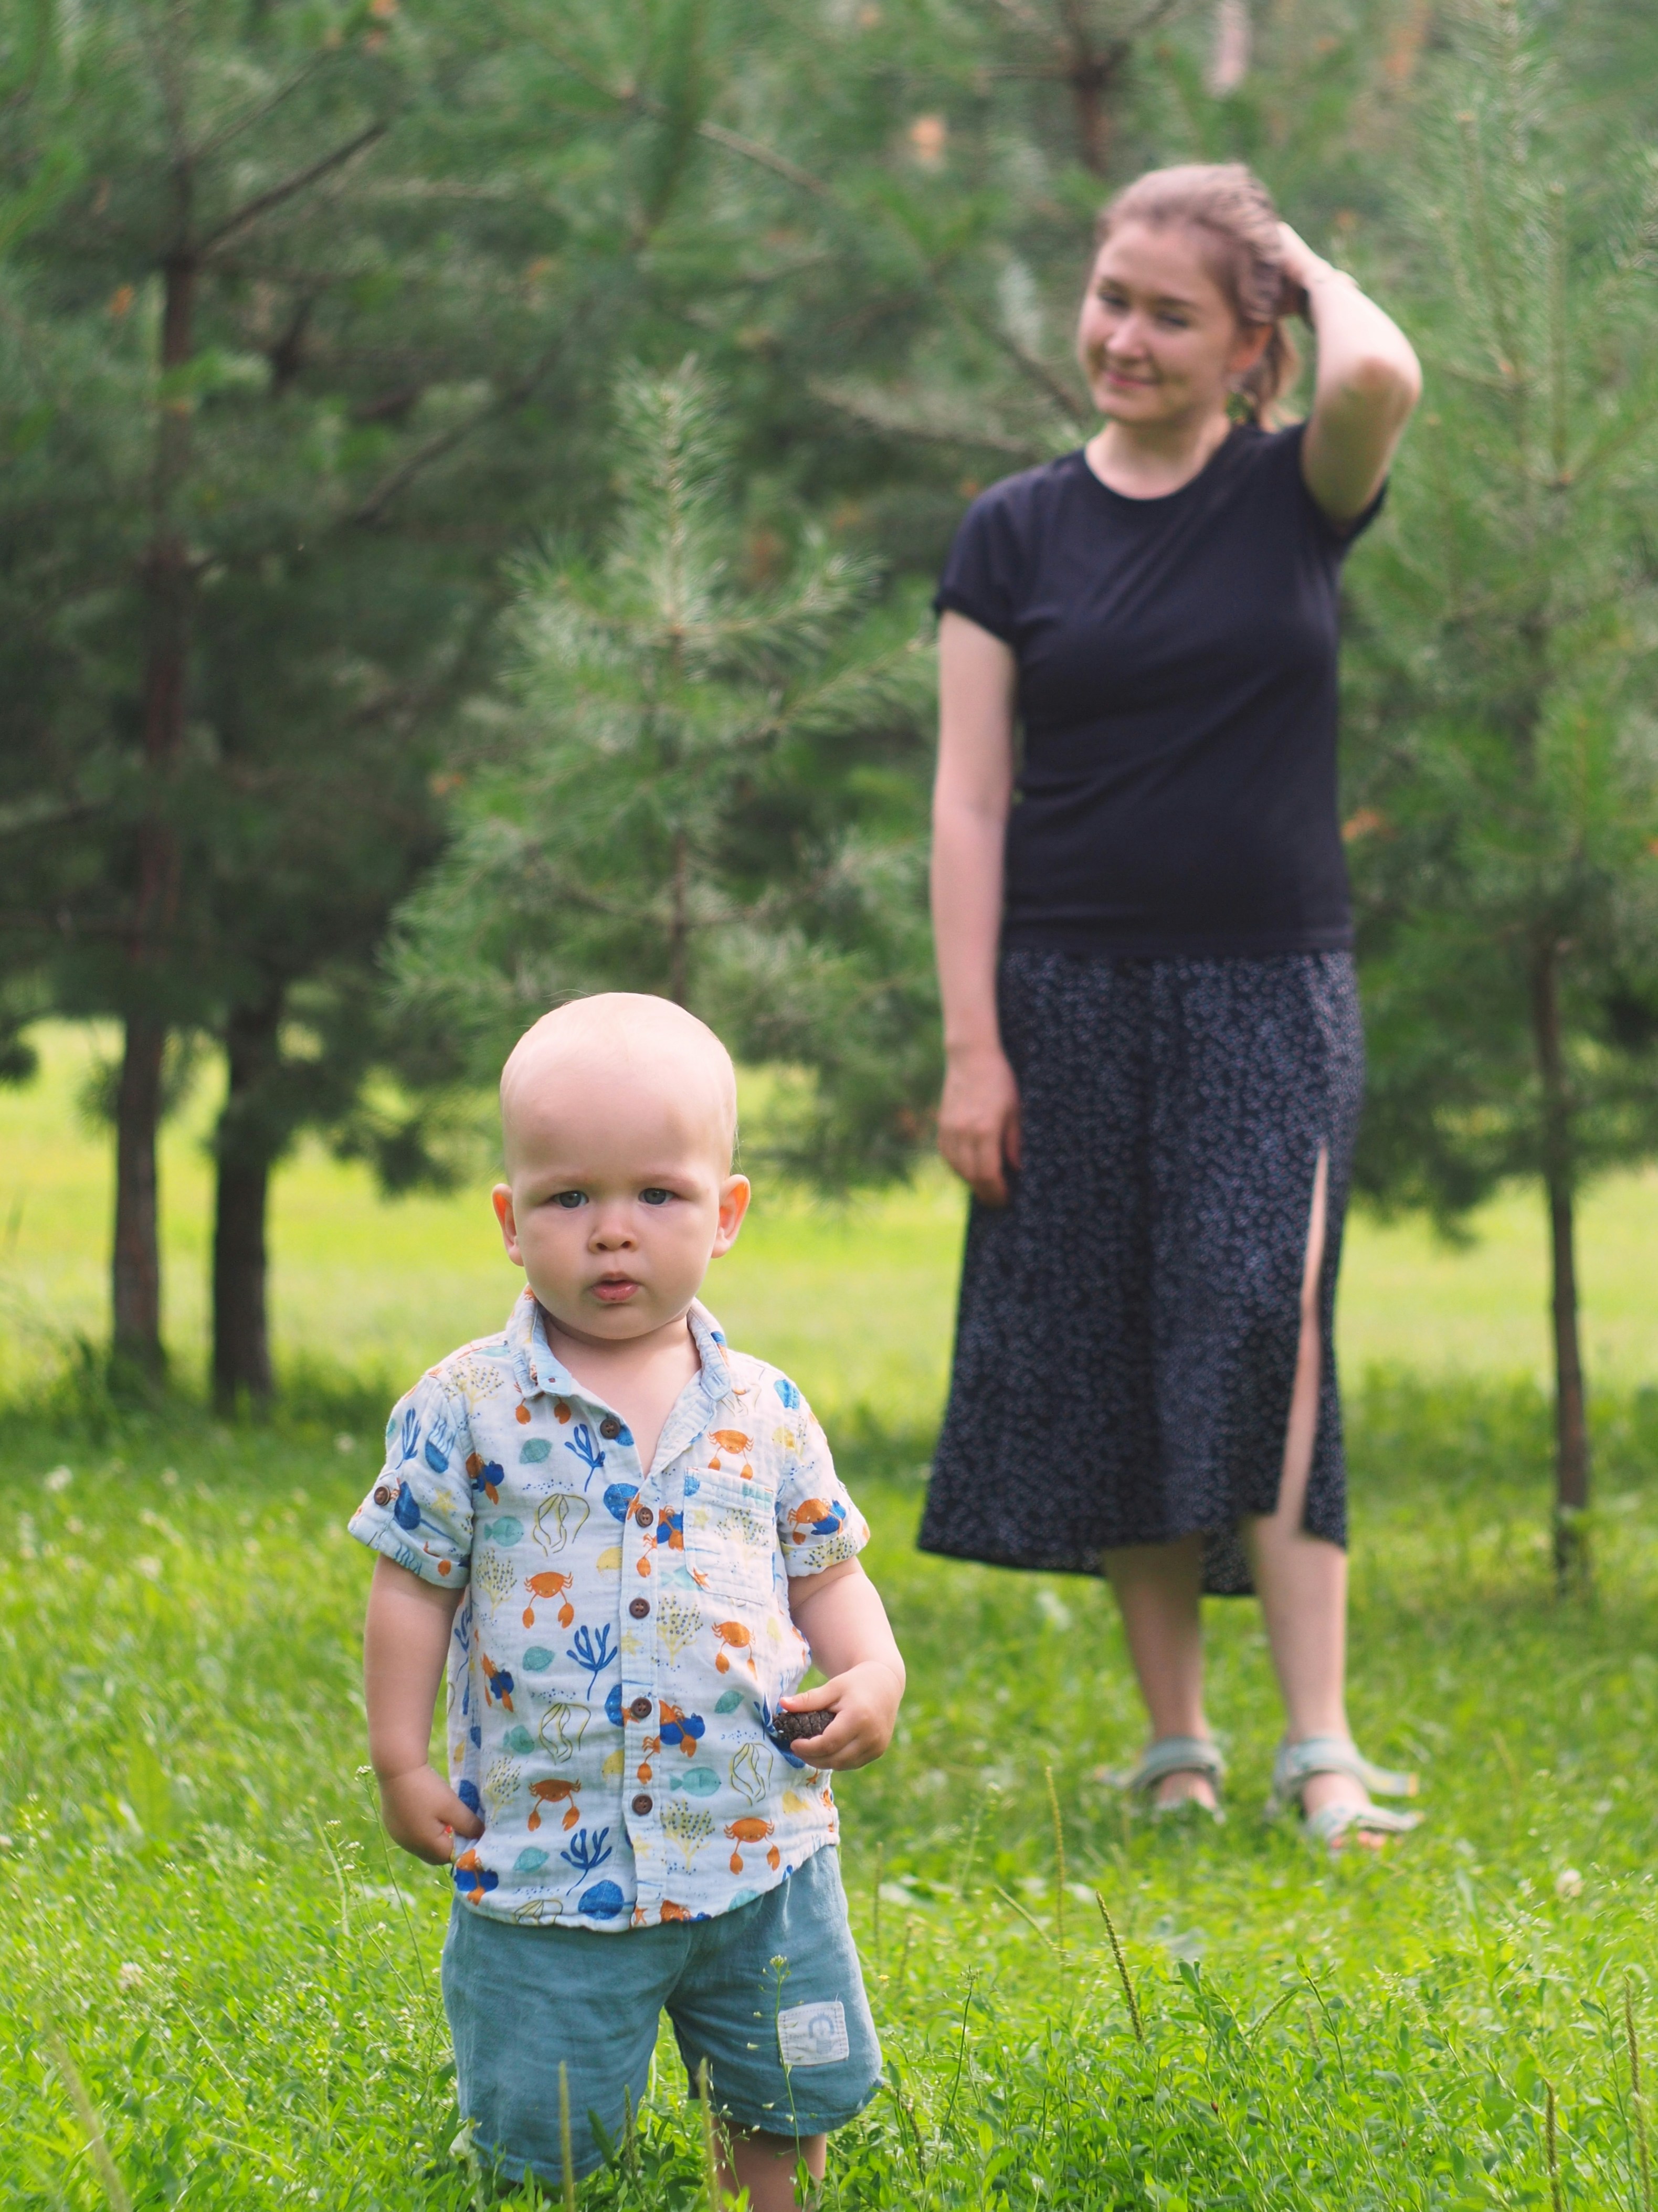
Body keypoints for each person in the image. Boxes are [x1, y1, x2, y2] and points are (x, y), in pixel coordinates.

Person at [919, 164, 1422, 1851]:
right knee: (1120, 1339)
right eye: (1111, 298)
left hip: (1271, 988)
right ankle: (1176, 1744)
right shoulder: (1013, 531)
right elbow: (966, 802)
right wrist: (974, 1047)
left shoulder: (1299, 493)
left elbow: (1379, 371)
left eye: (1173, 315)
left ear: (1250, 340)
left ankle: (1321, 1746)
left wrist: (1289, 252)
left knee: (1267, 1330)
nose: (1125, 337)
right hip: (1061, 990)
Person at [351, 993, 903, 2204]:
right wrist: (400, 1758)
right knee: (542, 2134)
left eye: (656, 1193)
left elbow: (826, 1567)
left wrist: (873, 1670)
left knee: (782, 2097)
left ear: (726, 1212)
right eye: (568, 1198)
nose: (611, 1232)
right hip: (549, 1859)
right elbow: (411, 1585)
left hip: (757, 1847)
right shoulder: (465, 1405)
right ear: (510, 1221)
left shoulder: (764, 1407)